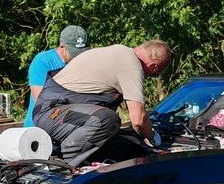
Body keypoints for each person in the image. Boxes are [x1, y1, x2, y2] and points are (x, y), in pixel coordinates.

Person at [32, 40, 173, 167]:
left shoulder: (118, 53)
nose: (148, 77)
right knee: (107, 119)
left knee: (129, 147)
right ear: (153, 66)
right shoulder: (131, 65)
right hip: (51, 113)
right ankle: (62, 164)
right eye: (155, 75)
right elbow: (138, 121)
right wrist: (152, 137)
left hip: (63, 113)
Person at [24, 25, 92, 128]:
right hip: (39, 129)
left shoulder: (83, 63)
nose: (80, 57)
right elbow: (41, 102)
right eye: (75, 53)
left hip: (71, 125)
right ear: (62, 47)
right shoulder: (42, 61)